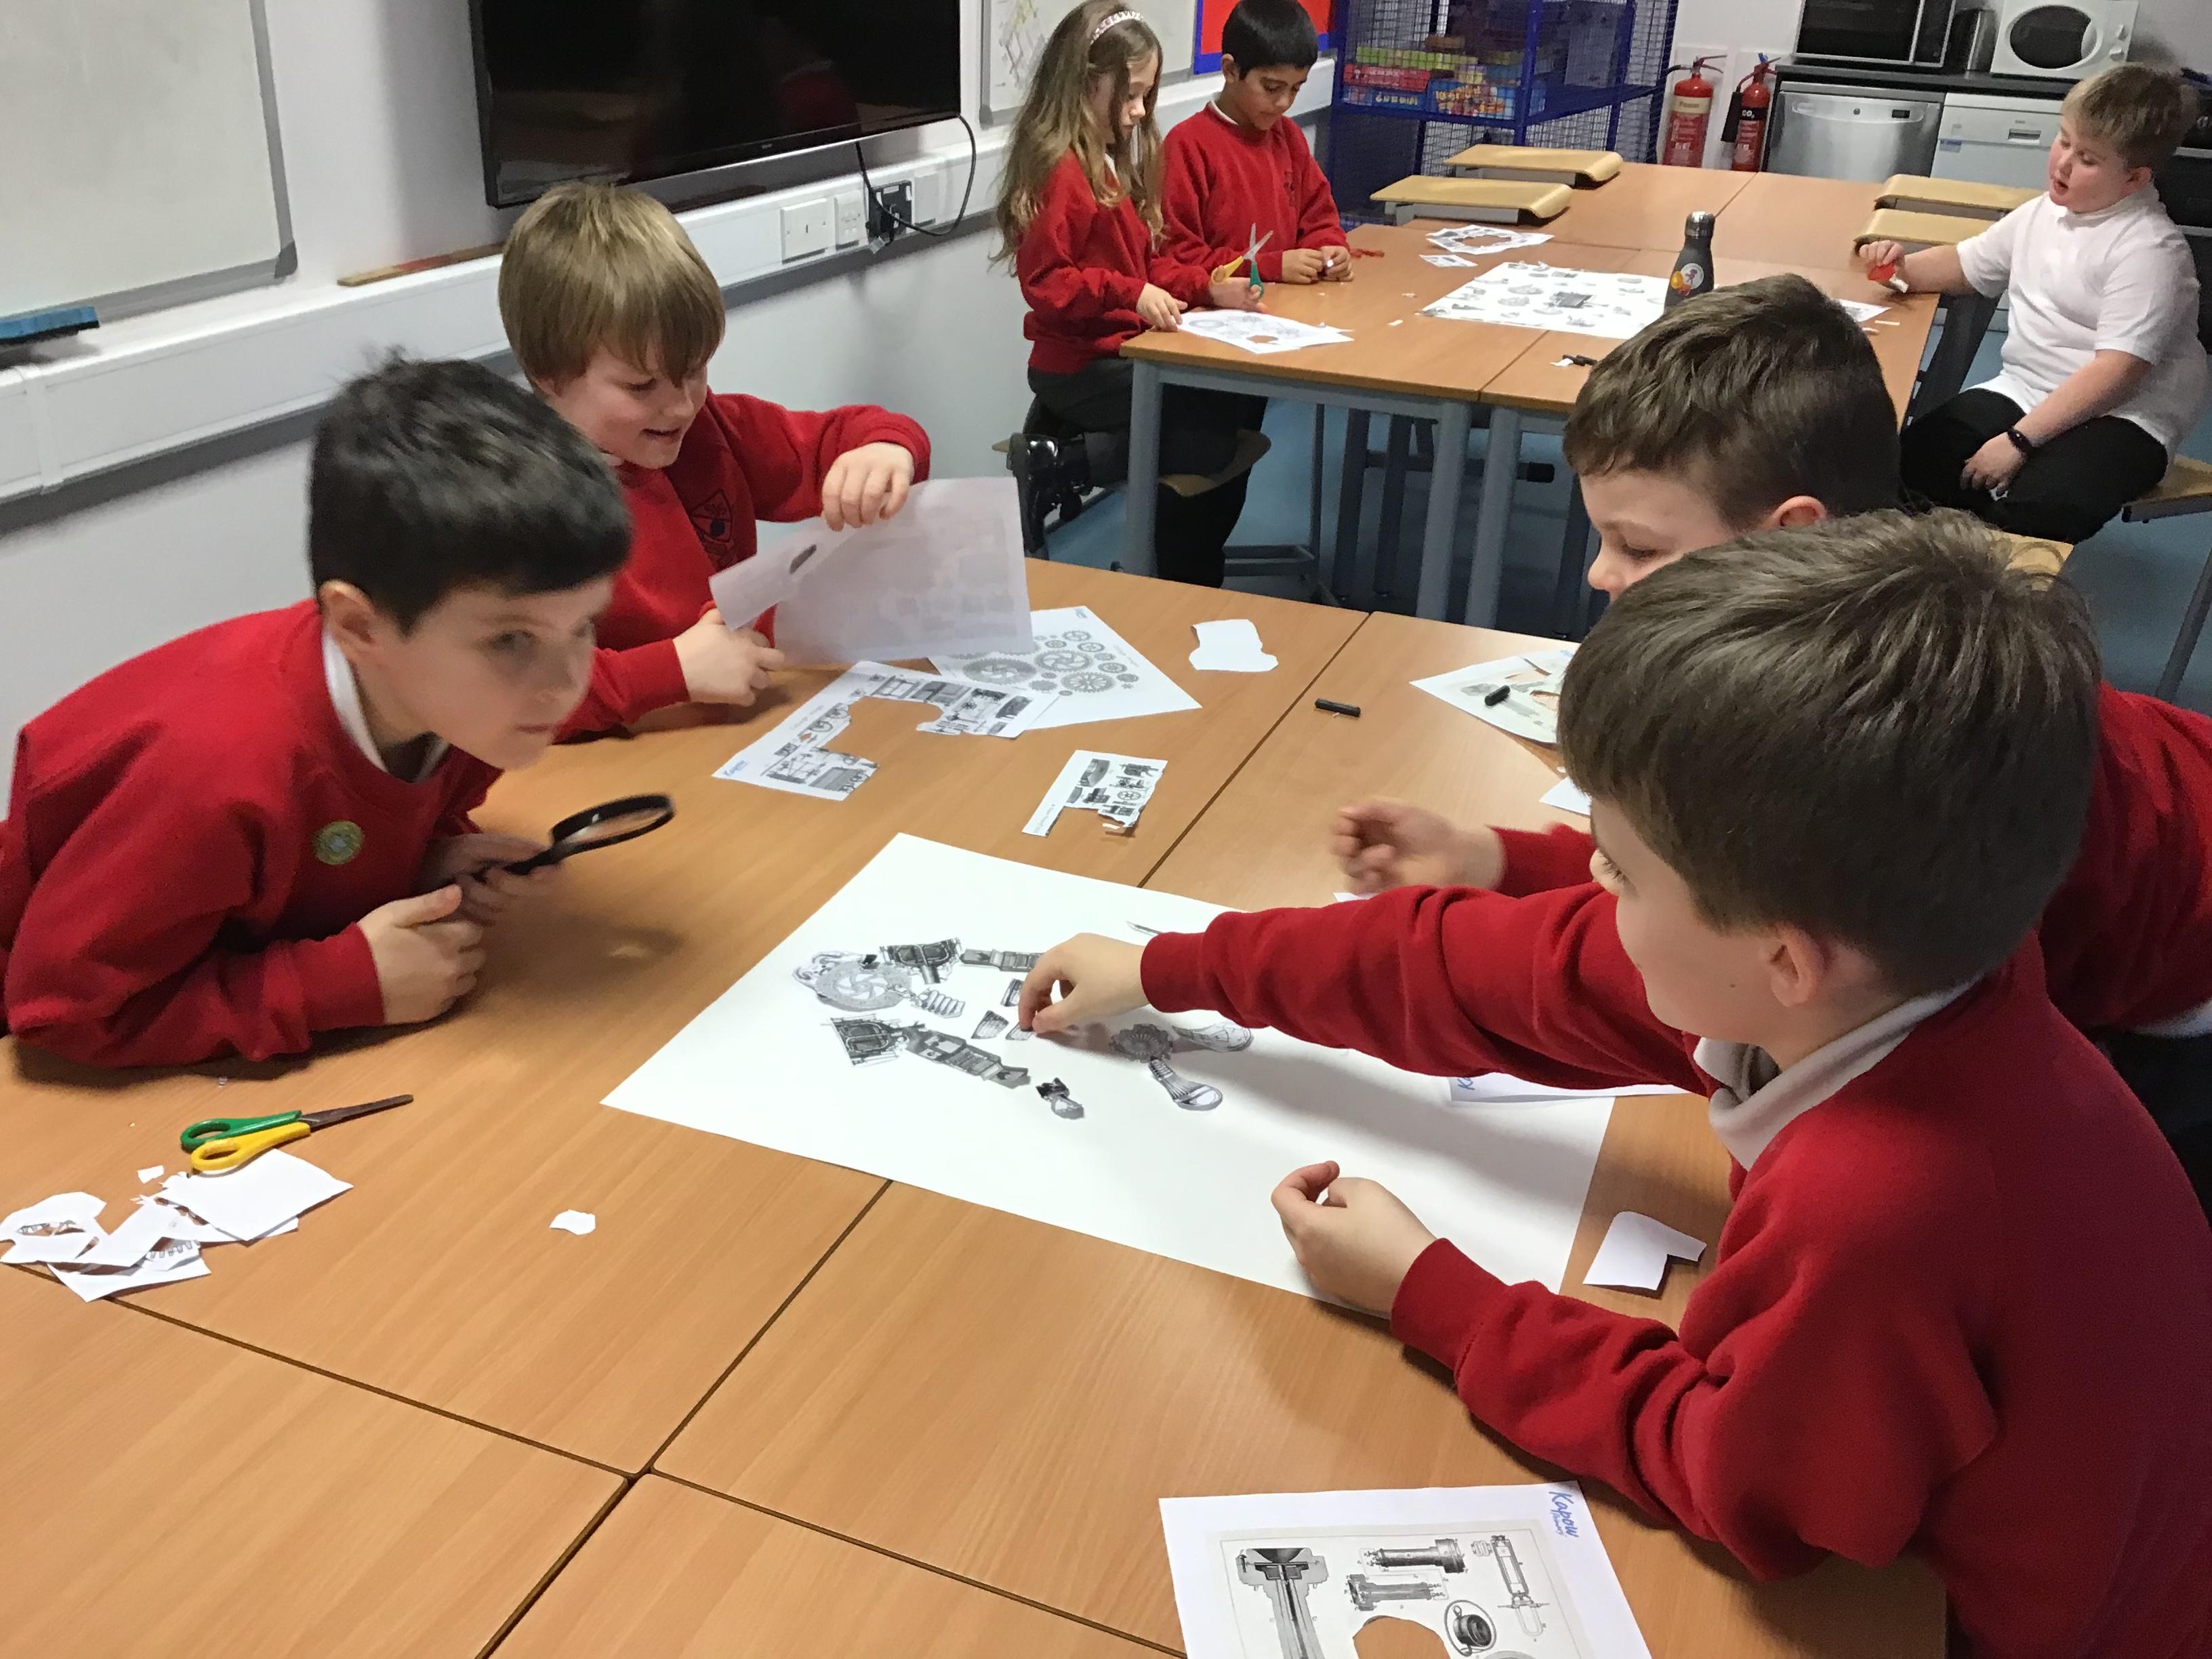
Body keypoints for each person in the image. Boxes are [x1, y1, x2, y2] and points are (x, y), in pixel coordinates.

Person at [1017, 514, 2212, 1658]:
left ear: (1782, 959)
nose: (1587, 880)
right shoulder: (1894, 972)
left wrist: (1430, 1296)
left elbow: (1738, 1481)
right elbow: (1472, 968)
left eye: (1621, 871)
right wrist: (1173, 968)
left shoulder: (1881, 1203)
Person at [1332, 274, 2212, 1208]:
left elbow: (1650, 959)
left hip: (2180, 995)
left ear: (1790, 534)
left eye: (1638, 547)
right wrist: (1498, 859)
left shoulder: (1898, 759)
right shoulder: (1855, 647)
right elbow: (1724, 882)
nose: (1600, 575)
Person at [0, 360, 632, 1067]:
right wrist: (334, 987)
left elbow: (321, 841)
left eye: (584, 626)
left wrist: (426, 858)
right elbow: (60, 1010)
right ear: (359, 627)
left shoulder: (459, 708)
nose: (565, 683)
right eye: (511, 640)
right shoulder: (213, 773)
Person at [498, 181, 931, 735]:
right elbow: (513, 693)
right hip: (623, 753)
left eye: (696, 371)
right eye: (641, 386)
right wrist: (671, 672)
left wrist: (885, 450)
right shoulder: (517, 502)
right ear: (550, 376)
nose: (682, 406)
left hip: (734, 727)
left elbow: (846, 435)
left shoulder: (713, 428)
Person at [1871, 63, 2207, 544]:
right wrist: (1900, 268)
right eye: (2064, 140)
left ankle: (1985, 572)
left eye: (2087, 158)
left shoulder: (2150, 250)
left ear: (2134, 178)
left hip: (2126, 415)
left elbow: (2116, 374)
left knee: (2040, 506)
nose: (2063, 163)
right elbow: (1967, 265)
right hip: (2029, 388)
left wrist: (2019, 440)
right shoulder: (2042, 214)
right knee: (1909, 461)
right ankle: (1945, 553)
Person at [996, 0, 1267, 587]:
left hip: (1120, 350)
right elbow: (1049, 283)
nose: (1141, 111)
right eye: (1131, 95)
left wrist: (1207, 287)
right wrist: (1132, 293)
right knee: (1206, 441)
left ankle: (1064, 434)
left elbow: (1147, 263)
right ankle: (1058, 463)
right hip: (1078, 364)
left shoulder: (1111, 160)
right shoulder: (1062, 171)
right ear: (1086, 84)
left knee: (1227, 412)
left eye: (1146, 95)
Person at [1161, 0, 1351, 289]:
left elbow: (1319, 217)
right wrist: (1268, 267)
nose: (1284, 102)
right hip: (1216, 310)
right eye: (1272, 88)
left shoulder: (1289, 136)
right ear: (1230, 70)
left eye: (1296, 88)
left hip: (1285, 302)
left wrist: (1329, 248)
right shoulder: (1187, 146)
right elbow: (1179, 257)